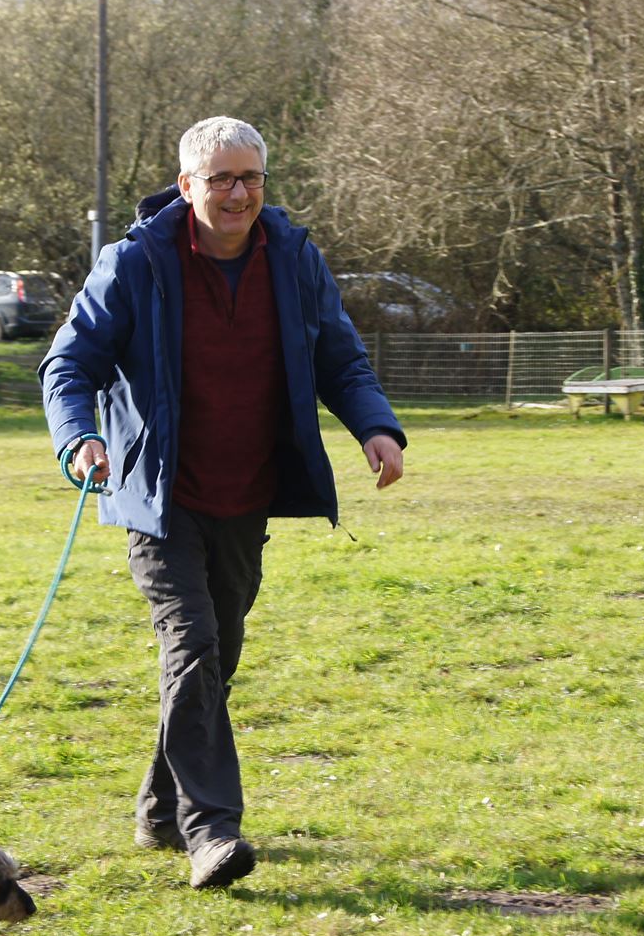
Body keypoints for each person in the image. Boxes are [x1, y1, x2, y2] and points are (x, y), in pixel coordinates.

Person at [40, 116, 406, 890]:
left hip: (248, 493)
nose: (238, 193)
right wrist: (78, 440)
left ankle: (159, 806)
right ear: (187, 186)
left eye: (251, 178)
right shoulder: (136, 262)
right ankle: (213, 831)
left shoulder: (295, 259)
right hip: (159, 499)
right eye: (221, 179)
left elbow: (341, 355)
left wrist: (375, 426)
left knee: (214, 659)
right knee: (195, 646)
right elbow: (69, 362)